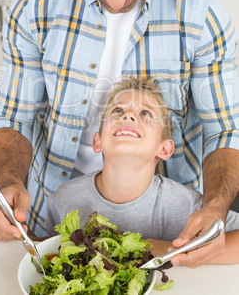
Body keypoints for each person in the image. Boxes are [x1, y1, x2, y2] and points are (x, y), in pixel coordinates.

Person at [0, 0, 239, 268]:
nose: (118, 0)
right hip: (50, 214)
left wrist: (216, 206)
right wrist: (11, 183)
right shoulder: (35, 6)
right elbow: (13, 116)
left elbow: (224, 131)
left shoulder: (202, 16)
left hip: (164, 236)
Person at [45, 76, 239, 265]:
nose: (127, 116)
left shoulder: (186, 206)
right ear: (97, 141)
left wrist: (167, 250)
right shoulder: (62, 200)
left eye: (145, 113)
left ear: (165, 149)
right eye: (118, 110)